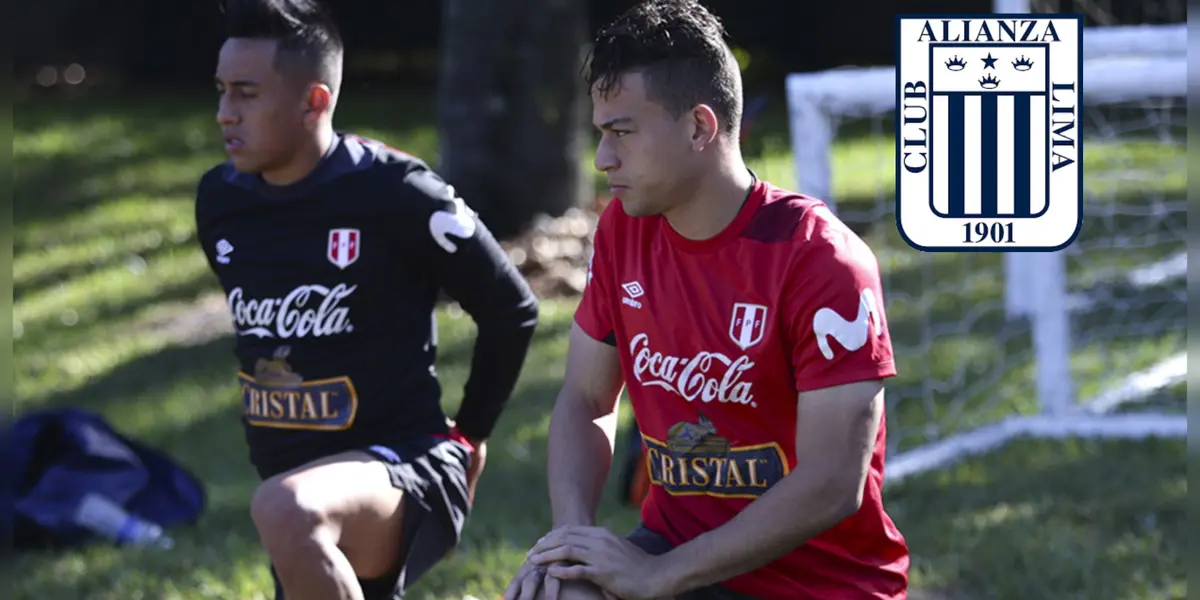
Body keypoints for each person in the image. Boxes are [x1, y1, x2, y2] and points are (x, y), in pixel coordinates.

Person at [505, 1, 910, 599]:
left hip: (822, 585)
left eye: (622, 133)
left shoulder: (821, 260)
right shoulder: (624, 229)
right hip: (676, 555)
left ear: (699, 126)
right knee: (555, 593)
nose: (602, 159)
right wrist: (572, 538)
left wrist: (658, 575)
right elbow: (586, 397)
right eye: (600, 133)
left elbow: (832, 481)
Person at [195, 1, 540, 598]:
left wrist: (471, 436)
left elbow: (512, 308)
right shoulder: (220, 202)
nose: (226, 113)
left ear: (315, 101)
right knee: (287, 508)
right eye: (222, 91)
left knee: (284, 508)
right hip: (301, 494)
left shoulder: (397, 191)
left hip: (408, 465)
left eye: (247, 94)